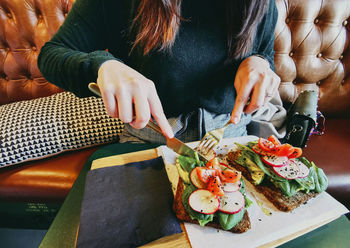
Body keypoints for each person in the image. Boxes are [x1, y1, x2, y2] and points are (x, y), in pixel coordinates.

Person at [38, 0, 286, 144]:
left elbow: (265, 55)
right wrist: (102, 65)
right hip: (149, 137)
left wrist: (259, 62)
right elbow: (52, 54)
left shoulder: (259, 3)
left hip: (230, 136)